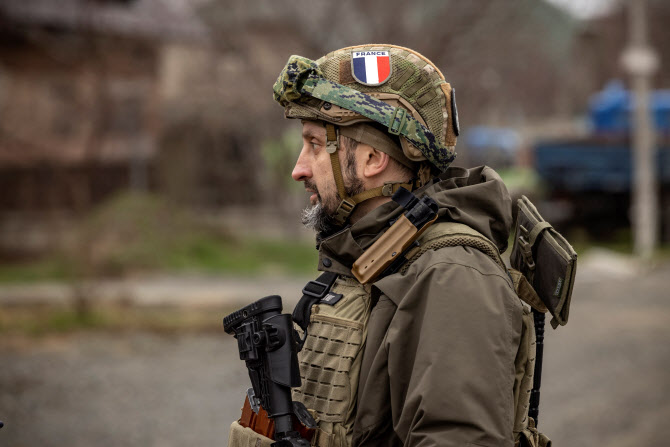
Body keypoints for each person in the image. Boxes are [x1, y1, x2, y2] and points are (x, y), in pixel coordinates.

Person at [229, 44, 537, 447]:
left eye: (316, 145)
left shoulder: (452, 276)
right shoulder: (374, 259)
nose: (298, 168)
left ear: (373, 159)